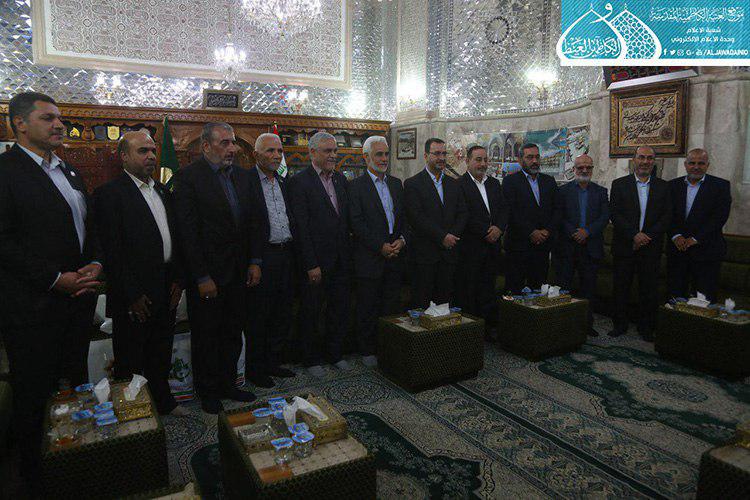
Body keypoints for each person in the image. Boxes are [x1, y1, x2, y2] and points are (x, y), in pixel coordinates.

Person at [0, 92, 102, 481]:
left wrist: (95, 263)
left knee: (74, 385)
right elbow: (4, 242)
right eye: (48, 118)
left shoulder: (68, 171)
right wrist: (55, 278)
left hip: (77, 302)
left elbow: (88, 227)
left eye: (60, 118)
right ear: (20, 124)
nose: (59, 124)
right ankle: (35, 475)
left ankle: (74, 462)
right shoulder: (6, 171)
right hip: (32, 308)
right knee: (34, 394)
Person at [93, 131, 187, 416]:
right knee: (130, 356)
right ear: (124, 156)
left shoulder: (163, 191)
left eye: (152, 150)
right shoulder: (109, 194)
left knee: (161, 350)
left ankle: (164, 401)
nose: (151, 156)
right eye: (142, 151)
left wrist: (178, 280)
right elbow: (112, 251)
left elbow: (177, 239)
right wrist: (131, 294)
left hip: (166, 286)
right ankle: (133, 412)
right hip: (133, 293)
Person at [173, 122, 260, 414]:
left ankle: (228, 384)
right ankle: (208, 391)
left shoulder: (244, 177)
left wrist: (255, 261)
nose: (232, 149)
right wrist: (201, 276)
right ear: (206, 146)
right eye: (224, 143)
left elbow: (253, 223)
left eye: (233, 142)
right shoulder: (188, 178)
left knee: (233, 332)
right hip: (208, 276)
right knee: (207, 335)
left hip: (239, 272)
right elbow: (188, 232)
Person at [288, 131, 351, 378]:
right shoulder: (299, 182)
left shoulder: (341, 180)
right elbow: (301, 227)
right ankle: (311, 358)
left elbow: (343, 220)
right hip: (315, 262)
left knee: (338, 309)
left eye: (335, 151)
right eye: (328, 151)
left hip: (341, 260)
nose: (333, 155)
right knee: (312, 311)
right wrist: (310, 263)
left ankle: (335, 354)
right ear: (312, 152)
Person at [244, 133, 297, 388]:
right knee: (259, 316)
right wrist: (253, 260)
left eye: (279, 151)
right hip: (262, 257)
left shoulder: (284, 183)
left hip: (286, 255)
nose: (276, 156)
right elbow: (247, 225)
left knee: (281, 312)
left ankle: (273, 362)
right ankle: (256, 368)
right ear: (256, 155)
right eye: (270, 151)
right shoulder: (246, 182)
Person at [348, 136, 406, 367]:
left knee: (391, 306)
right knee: (368, 307)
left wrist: (402, 240)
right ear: (366, 157)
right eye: (379, 154)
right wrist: (379, 246)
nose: (384, 159)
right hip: (370, 257)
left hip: (395, 255)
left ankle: (389, 348)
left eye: (386, 154)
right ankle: (367, 349)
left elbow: (404, 218)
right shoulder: (355, 187)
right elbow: (356, 223)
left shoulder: (396, 184)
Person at [608, 145, 671, 340]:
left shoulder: (664, 187)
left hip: (651, 247)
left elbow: (667, 216)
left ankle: (646, 327)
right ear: (634, 159)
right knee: (621, 288)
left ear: (654, 161)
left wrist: (646, 236)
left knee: (648, 290)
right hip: (625, 246)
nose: (645, 162)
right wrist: (634, 235)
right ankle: (620, 324)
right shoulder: (619, 184)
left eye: (649, 158)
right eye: (641, 157)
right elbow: (615, 214)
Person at [404, 138, 467, 308]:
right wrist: (442, 237)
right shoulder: (413, 184)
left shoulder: (454, 184)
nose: (441, 158)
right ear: (426, 156)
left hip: (449, 255)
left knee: (445, 304)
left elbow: (462, 213)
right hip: (425, 256)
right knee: (422, 304)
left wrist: (452, 236)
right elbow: (416, 218)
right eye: (437, 153)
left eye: (444, 153)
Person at [553, 154, 609, 336]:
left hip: (591, 247)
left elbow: (604, 217)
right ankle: (562, 325)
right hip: (567, 247)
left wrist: (587, 232)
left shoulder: (601, 192)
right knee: (563, 288)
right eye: (580, 167)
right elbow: (559, 216)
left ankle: (586, 325)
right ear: (574, 169)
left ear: (592, 169)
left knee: (589, 290)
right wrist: (575, 233)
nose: (584, 170)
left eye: (588, 167)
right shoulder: (562, 191)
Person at [667, 148, 731, 302]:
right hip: (678, 251)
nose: (696, 167)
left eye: (701, 163)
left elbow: (719, 217)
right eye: (692, 163)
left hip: (707, 251)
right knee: (675, 297)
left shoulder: (720, 186)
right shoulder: (672, 186)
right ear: (685, 164)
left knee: (704, 299)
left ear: (707, 165)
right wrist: (676, 236)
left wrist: (695, 239)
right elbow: (667, 214)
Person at [456, 145, 507, 334]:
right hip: (471, 248)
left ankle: (489, 328)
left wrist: (499, 228)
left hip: (493, 248)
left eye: (485, 160)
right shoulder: (459, 185)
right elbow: (464, 215)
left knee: (489, 289)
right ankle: (472, 332)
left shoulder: (494, 184)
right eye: (478, 160)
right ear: (467, 161)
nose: (483, 164)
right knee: (470, 291)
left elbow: (503, 209)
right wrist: (487, 231)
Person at [502, 143, 559, 293]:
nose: (534, 161)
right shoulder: (510, 182)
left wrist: (547, 231)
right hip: (518, 246)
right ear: (520, 160)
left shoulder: (549, 181)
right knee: (514, 291)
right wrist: (531, 232)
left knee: (539, 290)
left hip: (542, 247)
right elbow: (511, 212)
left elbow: (557, 210)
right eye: (530, 157)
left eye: (537, 157)